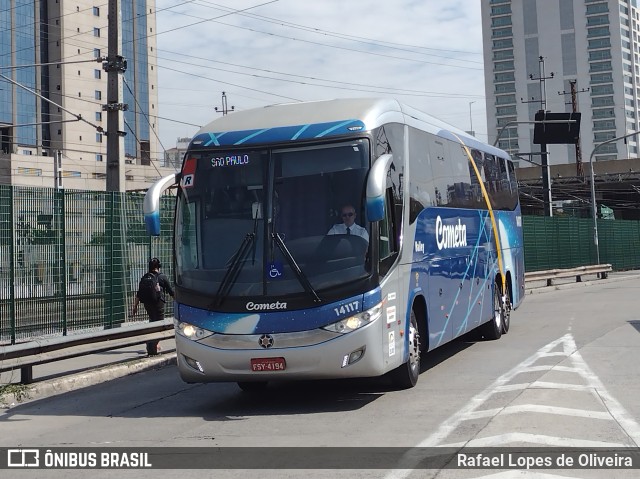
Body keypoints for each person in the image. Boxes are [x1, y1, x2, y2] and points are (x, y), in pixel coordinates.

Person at [131, 257, 175, 356]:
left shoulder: (145, 277)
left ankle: (154, 344)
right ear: (158, 267)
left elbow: (138, 294)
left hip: (147, 305)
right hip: (158, 305)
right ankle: (151, 345)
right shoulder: (162, 277)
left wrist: (135, 307)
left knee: (152, 322)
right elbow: (171, 292)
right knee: (160, 326)